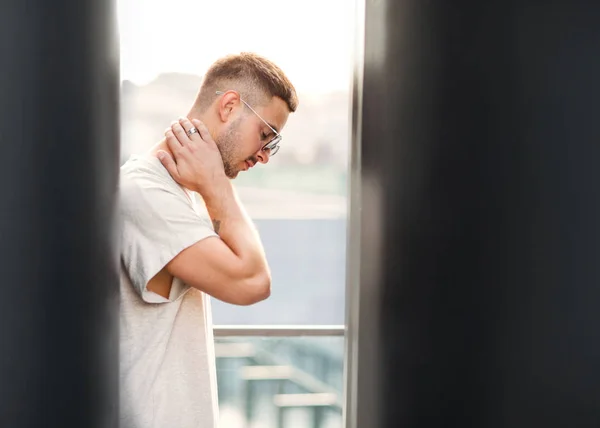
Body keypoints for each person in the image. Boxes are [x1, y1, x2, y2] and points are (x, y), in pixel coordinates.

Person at [118, 52, 298, 428]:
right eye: (266, 134)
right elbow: (252, 282)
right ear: (230, 105)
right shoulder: (145, 194)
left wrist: (210, 186)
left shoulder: (174, 195)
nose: (265, 155)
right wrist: (217, 185)